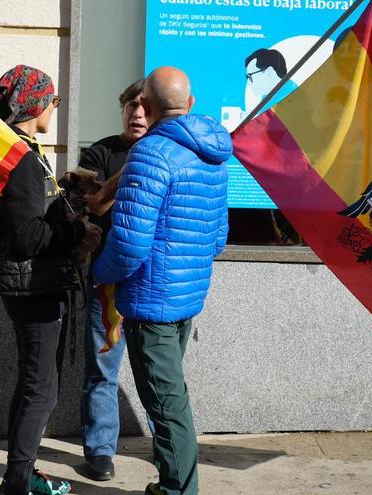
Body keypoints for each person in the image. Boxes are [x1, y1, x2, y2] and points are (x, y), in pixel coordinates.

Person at [93, 66, 231, 495]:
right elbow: (218, 236)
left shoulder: (149, 154)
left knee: (167, 406)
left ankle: (176, 489)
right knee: (171, 397)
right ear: (190, 105)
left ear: (148, 107)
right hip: (186, 298)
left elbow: (130, 243)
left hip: (151, 302)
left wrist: (99, 273)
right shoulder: (214, 156)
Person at [0, 65, 101, 495]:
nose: (54, 108)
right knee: (40, 390)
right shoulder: (22, 161)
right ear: (36, 104)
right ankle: (18, 482)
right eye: (52, 100)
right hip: (34, 287)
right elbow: (29, 235)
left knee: (34, 385)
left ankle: (19, 475)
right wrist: (76, 231)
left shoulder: (17, 152)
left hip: (32, 285)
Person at [77, 78, 148, 481]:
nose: (136, 113)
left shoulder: (170, 151)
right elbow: (95, 208)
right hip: (109, 281)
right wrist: (132, 181)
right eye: (130, 106)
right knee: (103, 368)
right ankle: (101, 449)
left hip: (155, 282)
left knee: (159, 369)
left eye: (144, 106)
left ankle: (166, 444)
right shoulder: (101, 153)